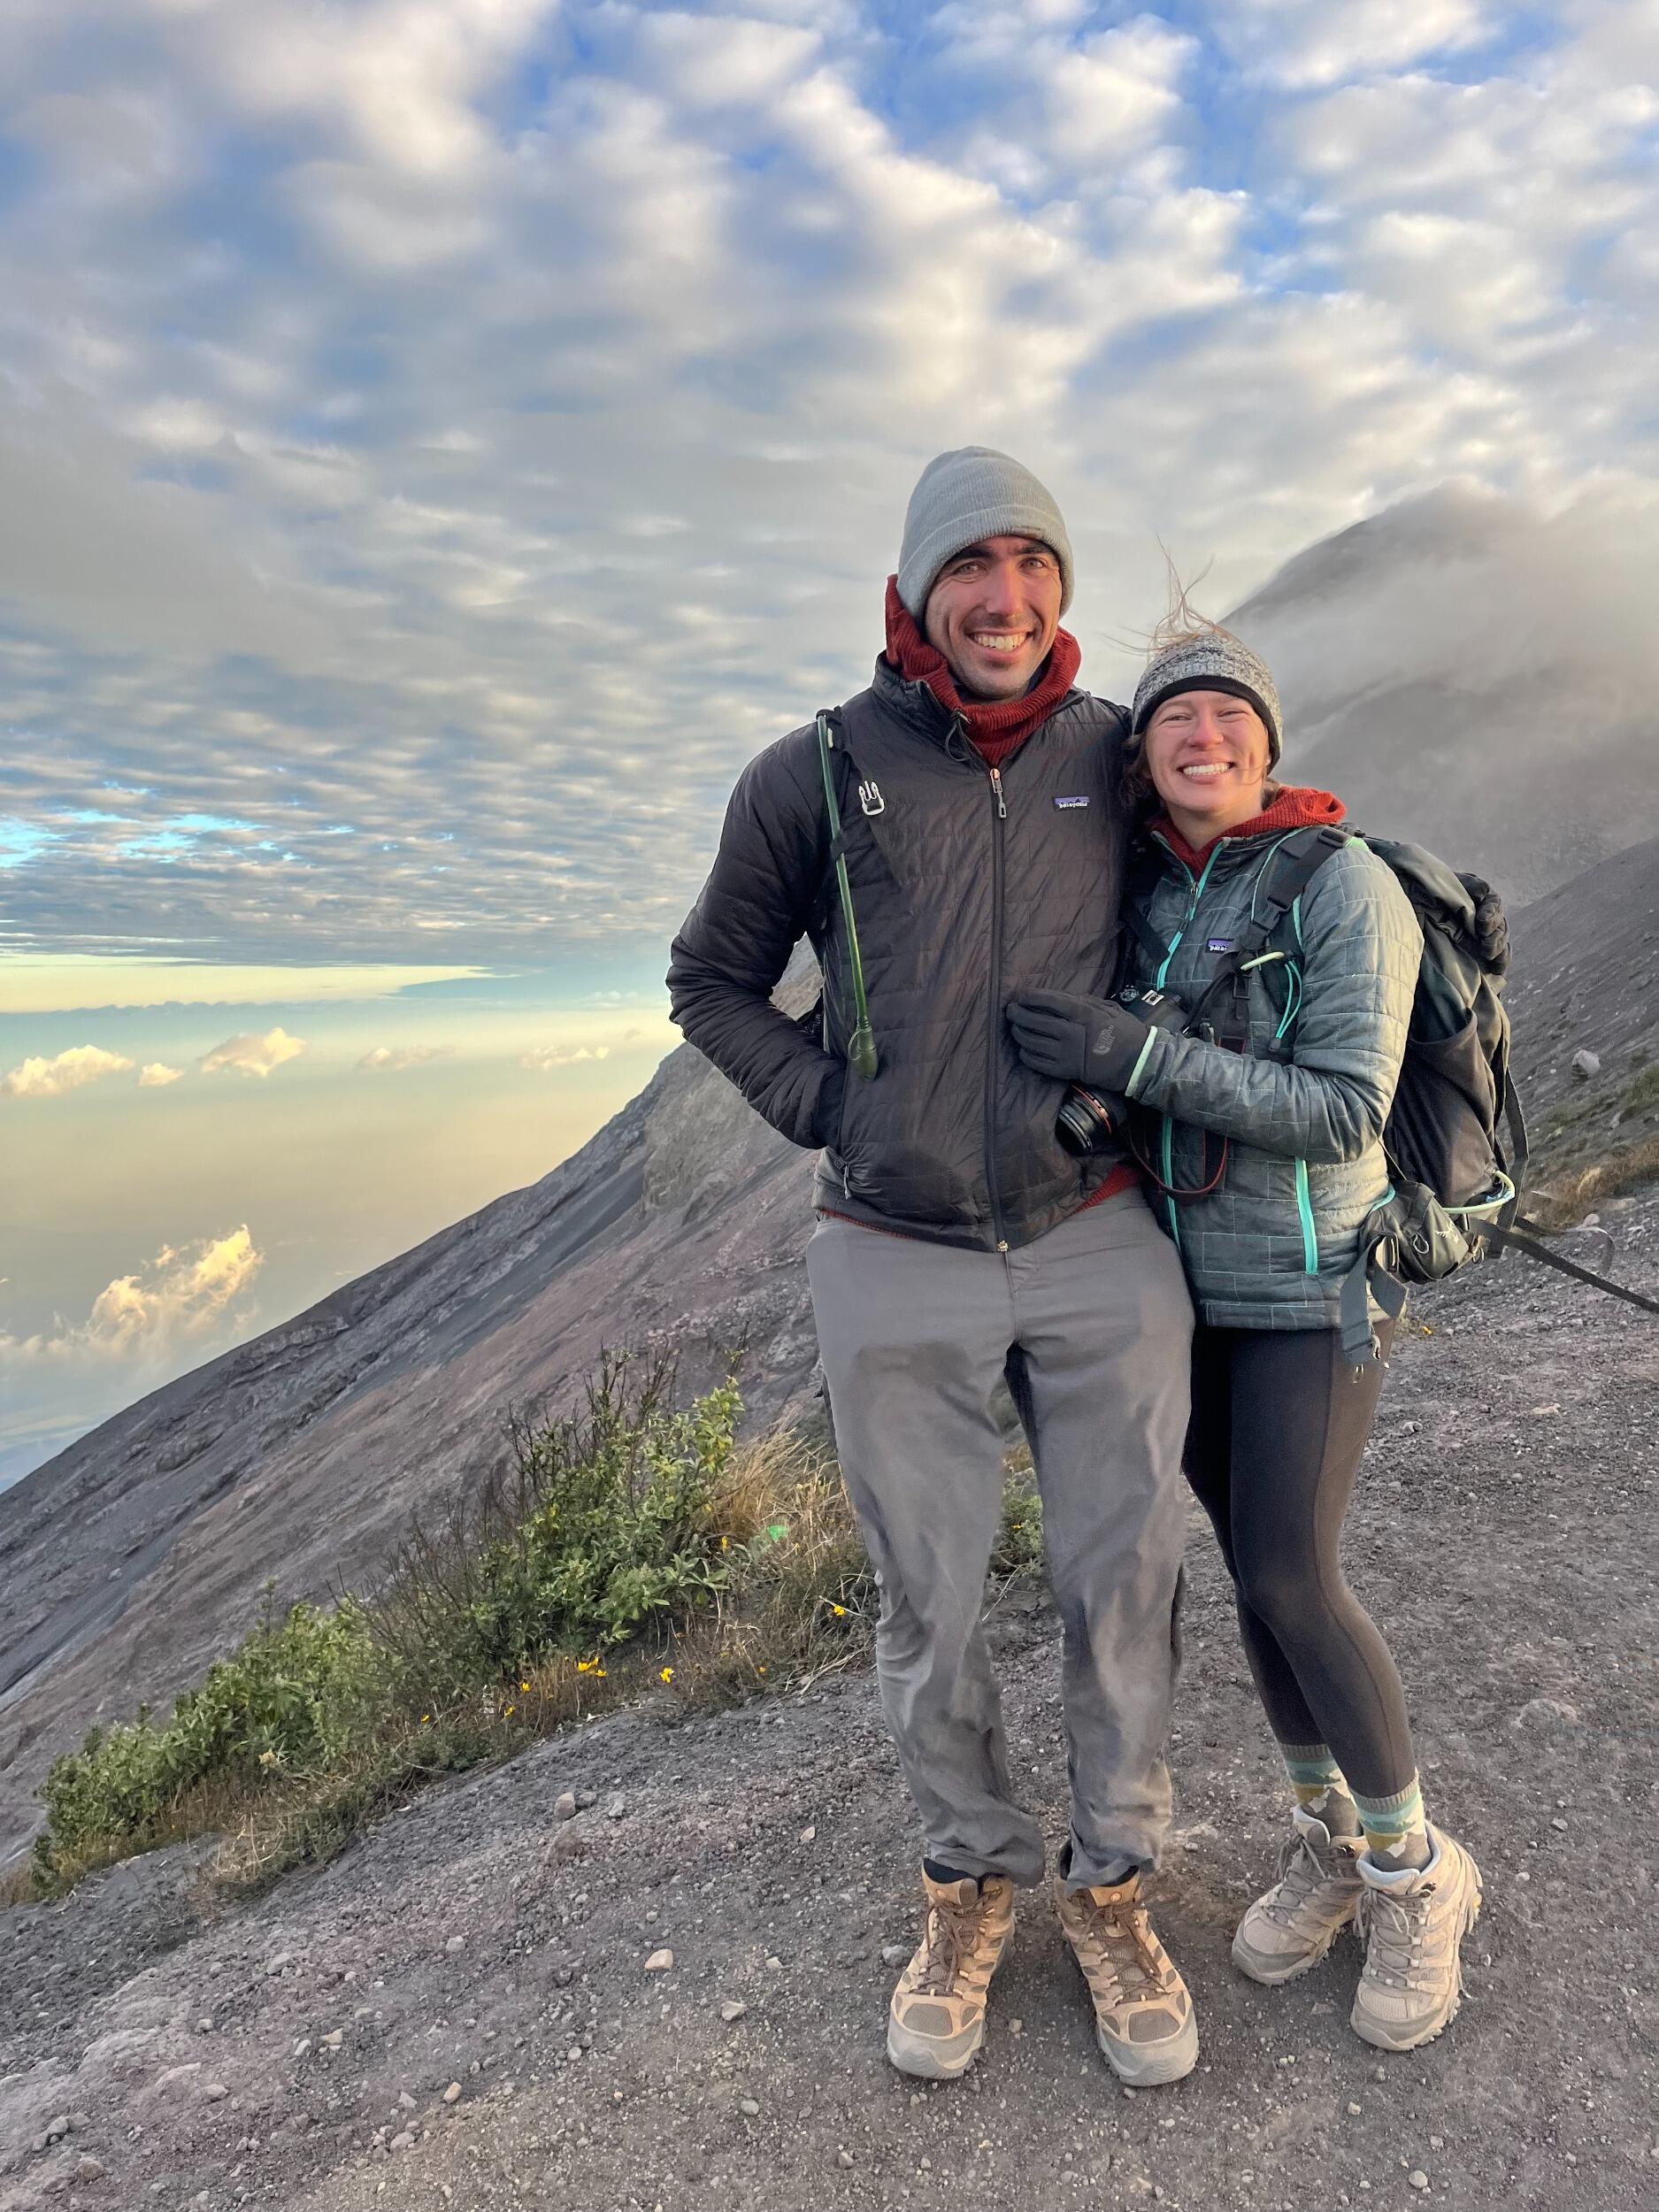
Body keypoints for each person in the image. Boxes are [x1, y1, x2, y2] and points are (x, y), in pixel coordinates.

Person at [668, 449, 1199, 2086]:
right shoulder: (814, 773)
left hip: (1097, 1227)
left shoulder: (1118, 758)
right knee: (931, 1599)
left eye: (1035, 564)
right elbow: (711, 981)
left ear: (1063, 590)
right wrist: (844, 1107)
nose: (1008, 597)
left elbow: (1223, 908)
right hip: (893, 1248)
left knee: (1128, 1577)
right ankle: (970, 1880)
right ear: (916, 591)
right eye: (974, 566)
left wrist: (1138, 1054)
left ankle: (1112, 1885)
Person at [1007, 611, 1484, 2055]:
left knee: (1292, 1568)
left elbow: (1344, 1104)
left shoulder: (1342, 887)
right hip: (1185, 1295)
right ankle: (1330, 1840)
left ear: (1268, 745)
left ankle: (1417, 1872)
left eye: (1229, 719)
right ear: (1145, 759)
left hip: (1314, 1284)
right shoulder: (1154, 896)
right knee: (1254, 1573)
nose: (1204, 739)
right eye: (1174, 722)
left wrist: (1137, 1054)